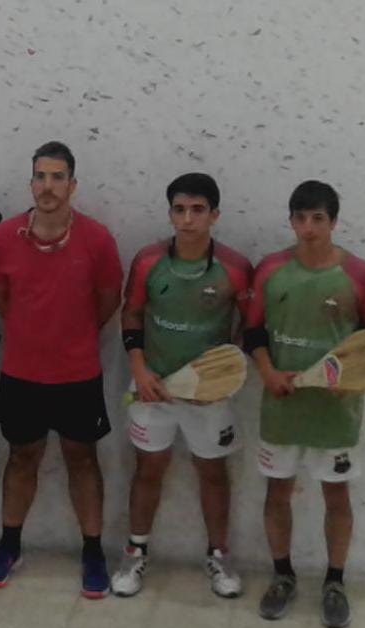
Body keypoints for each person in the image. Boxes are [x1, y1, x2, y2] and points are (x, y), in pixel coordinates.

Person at [0, 141, 123, 598]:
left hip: (78, 374)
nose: (48, 186)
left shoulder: (97, 239)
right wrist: (30, 333)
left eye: (57, 177)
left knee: (83, 459)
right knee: (22, 457)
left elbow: (108, 299)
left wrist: (73, 335)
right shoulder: (4, 238)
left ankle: (93, 551)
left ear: (72, 185)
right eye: (40, 177)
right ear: (31, 183)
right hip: (21, 374)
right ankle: (10, 545)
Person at [243, 180, 365, 628]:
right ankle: (282, 576)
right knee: (277, 491)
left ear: (333, 222)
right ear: (290, 221)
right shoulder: (270, 270)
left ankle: (335, 582)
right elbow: (252, 332)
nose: (308, 228)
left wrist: (350, 382)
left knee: (336, 495)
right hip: (282, 407)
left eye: (318, 219)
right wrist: (267, 372)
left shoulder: (360, 275)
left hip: (335, 413)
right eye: (300, 218)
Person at [112, 173, 251, 598]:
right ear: (170, 214)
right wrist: (139, 368)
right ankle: (135, 552)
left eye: (197, 210)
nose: (188, 219)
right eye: (179, 210)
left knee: (213, 472)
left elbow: (250, 323)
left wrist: (224, 373)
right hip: (153, 388)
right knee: (148, 469)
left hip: (209, 397)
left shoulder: (235, 268)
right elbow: (132, 313)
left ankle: (219, 555)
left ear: (214, 215)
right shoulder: (148, 261)